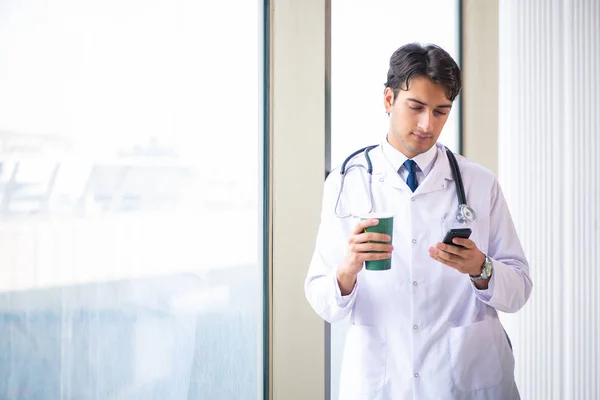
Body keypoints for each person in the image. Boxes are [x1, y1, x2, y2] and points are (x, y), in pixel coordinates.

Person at [304, 43, 532, 400]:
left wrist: (481, 268)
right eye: (416, 107)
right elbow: (321, 298)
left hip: (467, 381)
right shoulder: (347, 182)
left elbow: (519, 290)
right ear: (388, 100)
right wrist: (347, 270)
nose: (428, 124)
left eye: (441, 111)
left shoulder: (479, 183)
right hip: (382, 381)